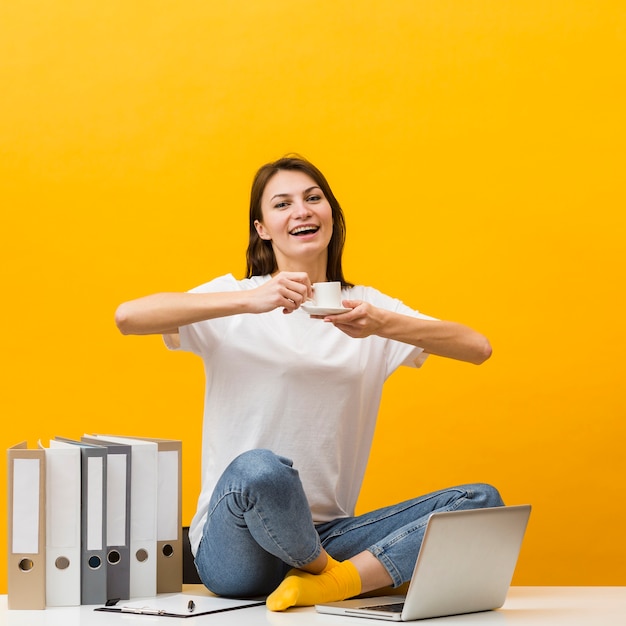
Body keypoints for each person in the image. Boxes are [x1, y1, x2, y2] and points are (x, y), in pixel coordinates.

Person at [115, 155, 504, 611]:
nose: (301, 210)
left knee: (480, 502)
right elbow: (128, 317)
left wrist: (383, 323)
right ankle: (335, 578)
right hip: (236, 548)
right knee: (260, 470)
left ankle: (327, 581)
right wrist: (248, 301)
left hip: (328, 535)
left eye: (313, 198)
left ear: (331, 216)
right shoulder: (238, 300)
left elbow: (477, 347)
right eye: (283, 204)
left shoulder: (369, 309)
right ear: (263, 228)